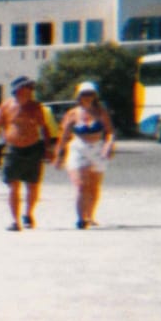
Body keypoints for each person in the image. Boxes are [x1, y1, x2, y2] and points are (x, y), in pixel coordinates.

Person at [0, 76, 56, 230]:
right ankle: (15, 221)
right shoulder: (6, 106)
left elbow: (44, 128)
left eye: (31, 89)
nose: (30, 91)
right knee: (13, 185)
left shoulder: (36, 107)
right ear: (17, 90)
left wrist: (48, 149)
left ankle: (28, 213)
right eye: (26, 88)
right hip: (13, 149)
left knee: (32, 185)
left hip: (33, 148)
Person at [55, 79, 116, 229]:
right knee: (81, 185)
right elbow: (63, 136)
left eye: (90, 94)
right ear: (79, 96)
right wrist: (58, 155)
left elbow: (109, 132)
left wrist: (108, 145)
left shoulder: (101, 112)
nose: (87, 97)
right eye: (84, 94)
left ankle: (90, 215)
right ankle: (80, 218)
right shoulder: (73, 114)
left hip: (97, 149)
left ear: (95, 96)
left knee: (94, 186)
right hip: (79, 148)